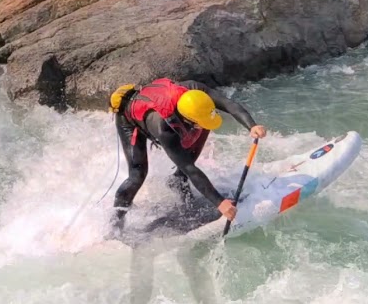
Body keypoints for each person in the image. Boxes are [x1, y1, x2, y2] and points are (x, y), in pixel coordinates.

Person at [108, 77, 267, 236]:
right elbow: (190, 168)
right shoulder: (163, 128)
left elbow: (228, 104)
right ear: (186, 119)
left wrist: (251, 125)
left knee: (204, 126)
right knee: (137, 175)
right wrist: (220, 203)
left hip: (164, 107)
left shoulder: (195, 90)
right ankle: (115, 225)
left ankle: (177, 181)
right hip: (130, 118)